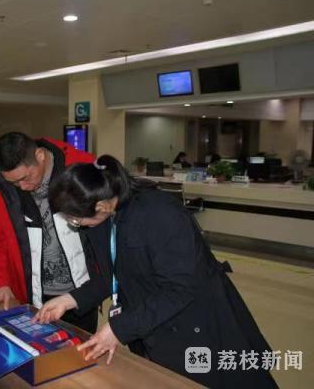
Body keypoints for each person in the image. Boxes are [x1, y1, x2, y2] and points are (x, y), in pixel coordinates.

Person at [34, 155, 278, 388]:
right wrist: (70, 299)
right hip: (152, 324)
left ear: (101, 205)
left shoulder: (160, 213)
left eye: (75, 220)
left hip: (198, 325)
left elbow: (180, 288)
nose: (76, 226)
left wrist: (120, 329)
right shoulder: (101, 221)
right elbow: (113, 276)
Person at [0, 132, 102, 332]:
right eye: (14, 183)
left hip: (83, 294)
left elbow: (106, 229)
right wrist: (0, 283)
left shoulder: (81, 168)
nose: (22, 187)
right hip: (34, 298)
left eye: (25, 178)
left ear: (40, 156)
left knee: (81, 347)